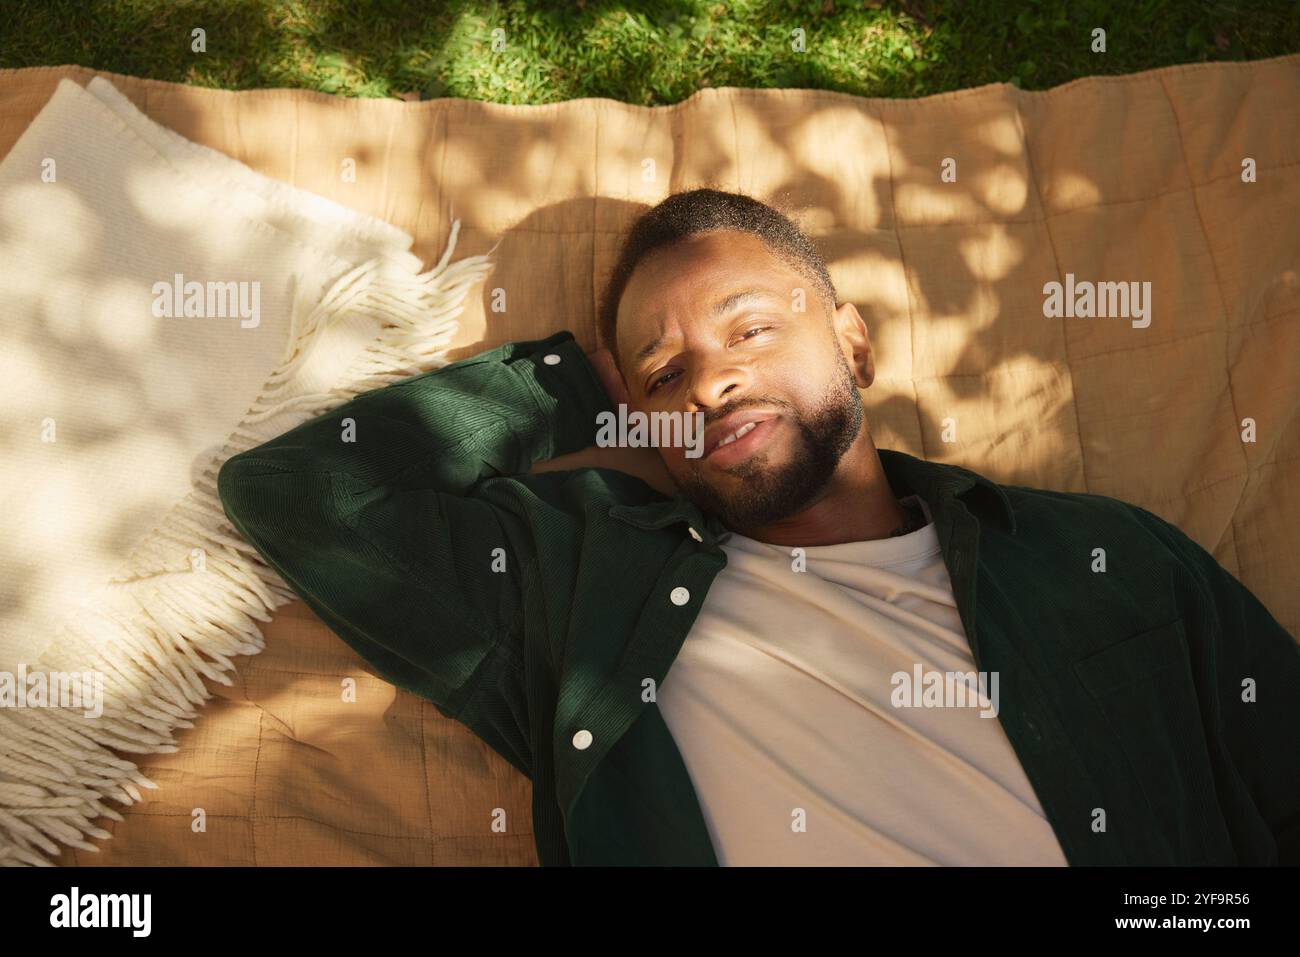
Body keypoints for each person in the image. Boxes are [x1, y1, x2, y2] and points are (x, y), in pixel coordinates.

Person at [217, 188, 1300, 866]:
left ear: (855, 344)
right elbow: (306, 495)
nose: (717, 377)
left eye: (752, 329)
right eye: (666, 371)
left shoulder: (1098, 558)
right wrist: (567, 386)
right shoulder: (580, 579)